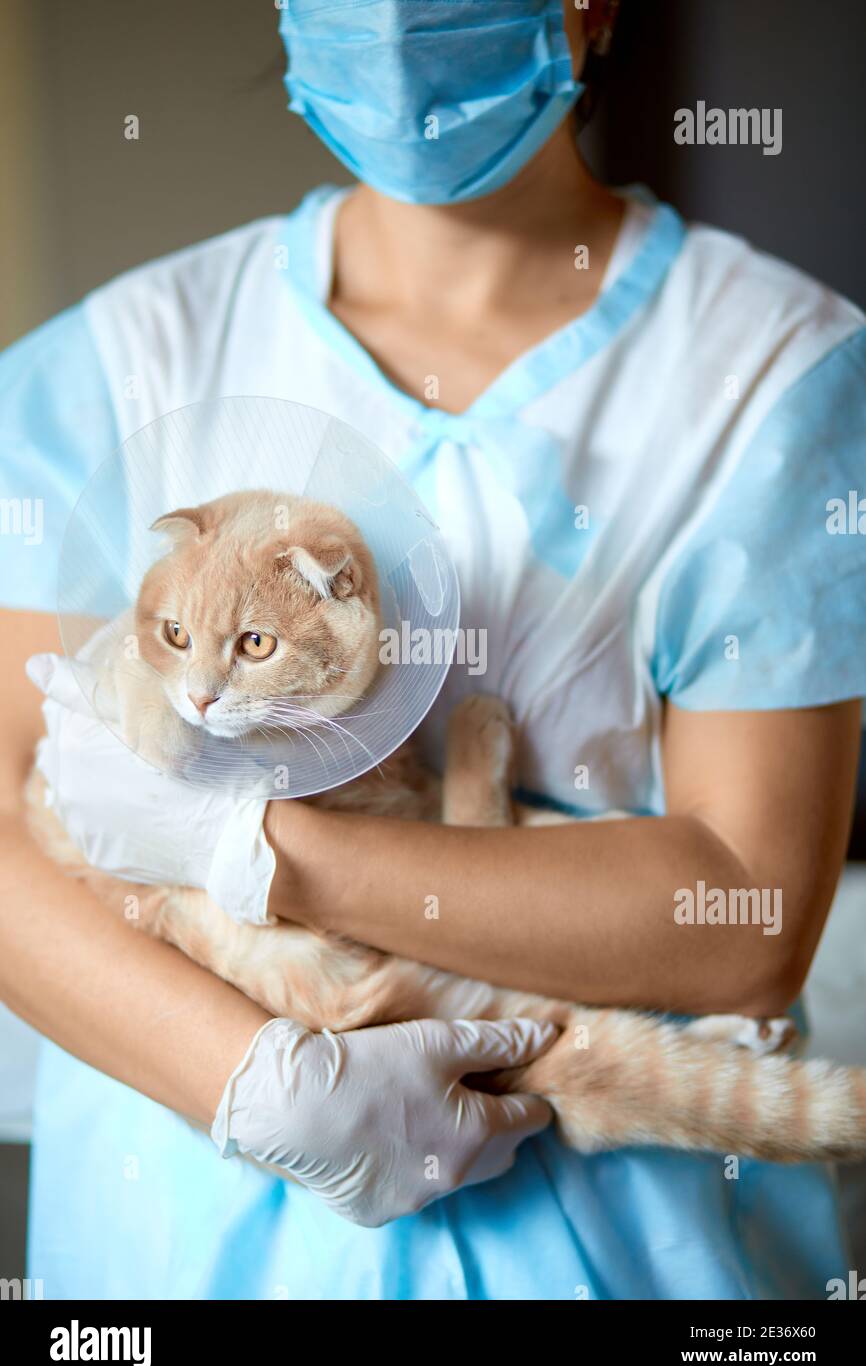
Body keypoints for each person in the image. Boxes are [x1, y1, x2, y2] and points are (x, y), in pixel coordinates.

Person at [2, 0, 865, 1299]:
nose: (396, 18)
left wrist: (258, 851)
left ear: (588, 7)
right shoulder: (119, 359)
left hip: (611, 1235)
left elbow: (739, 914)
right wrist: (243, 1079)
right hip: (180, 1226)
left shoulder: (769, 371)